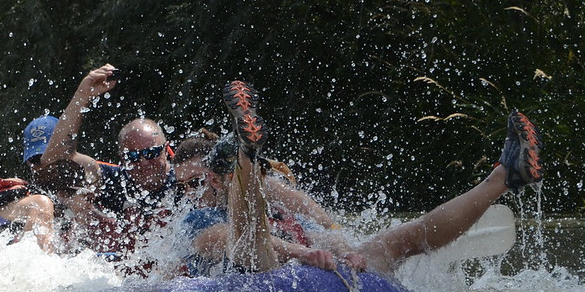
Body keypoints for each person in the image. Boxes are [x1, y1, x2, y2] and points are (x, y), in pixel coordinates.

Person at [175, 80, 543, 276]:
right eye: (186, 186)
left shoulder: (271, 199)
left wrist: (343, 248)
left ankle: (503, 176)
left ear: (217, 179)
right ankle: (245, 152)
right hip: (265, 271)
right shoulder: (197, 223)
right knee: (253, 246)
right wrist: (306, 252)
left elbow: (320, 223)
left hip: (316, 271)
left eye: (200, 181)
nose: (195, 193)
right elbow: (229, 240)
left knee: (394, 242)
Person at [40, 64, 175, 252]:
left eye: (151, 153)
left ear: (166, 150)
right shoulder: (113, 180)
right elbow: (55, 160)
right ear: (122, 159)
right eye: (132, 156)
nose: (143, 162)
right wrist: (82, 96)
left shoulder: (187, 179)